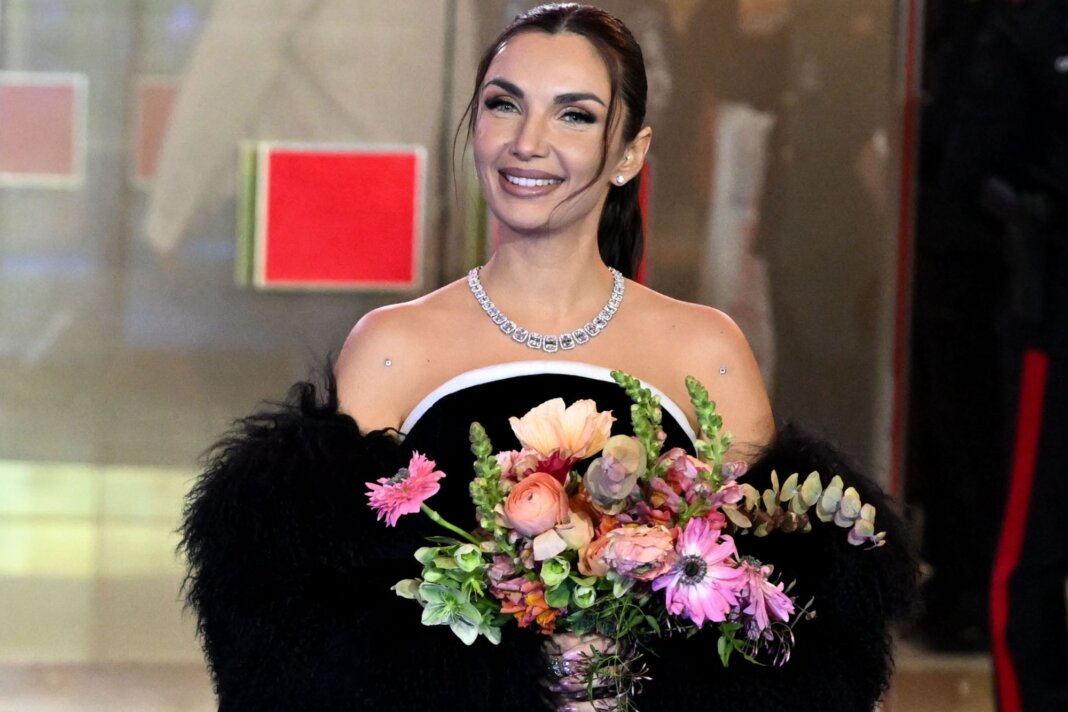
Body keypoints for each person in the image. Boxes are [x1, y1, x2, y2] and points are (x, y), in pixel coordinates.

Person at [179, 5, 916, 711]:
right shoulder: (391, 349)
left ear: (630, 153)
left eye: (574, 115)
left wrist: (633, 674)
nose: (527, 142)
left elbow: (781, 619)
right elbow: (316, 632)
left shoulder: (705, 350)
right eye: (504, 105)